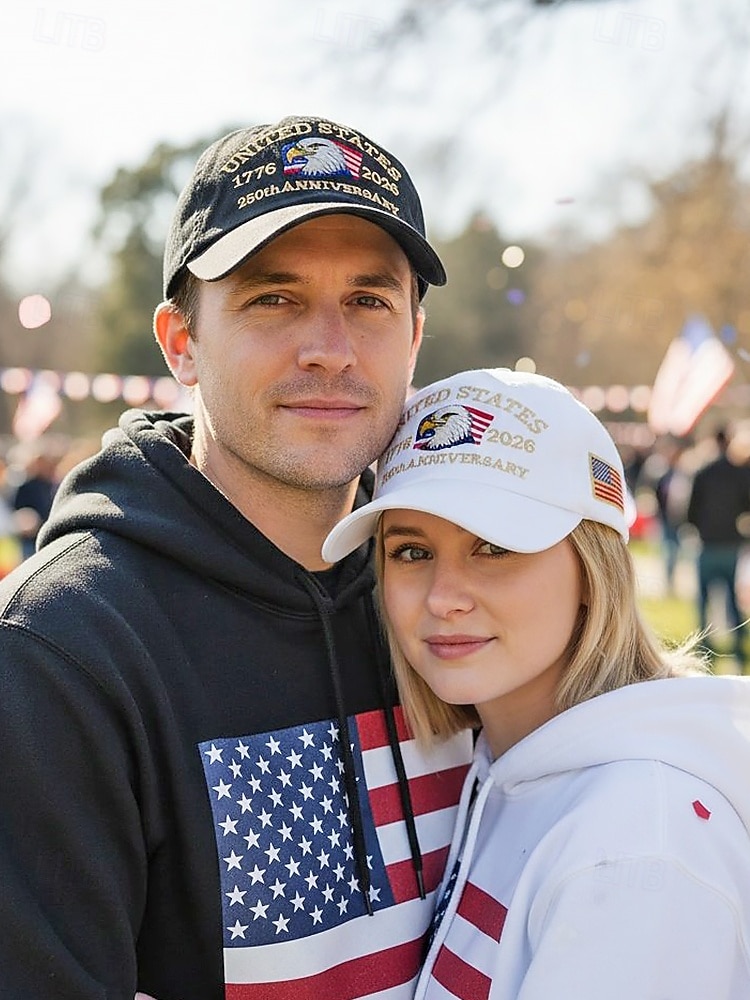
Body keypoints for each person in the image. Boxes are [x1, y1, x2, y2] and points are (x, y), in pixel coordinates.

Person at [0, 116, 473, 1000]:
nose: (329, 347)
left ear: (414, 335)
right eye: (274, 299)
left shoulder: (456, 606)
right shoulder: (58, 652)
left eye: (369, 300)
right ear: (181, 342)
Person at [323, 367, 750, 1000]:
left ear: (593, 569)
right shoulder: (502, 762)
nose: (443, 598)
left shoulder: (637, 848)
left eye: (493, 547)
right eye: (411, 552)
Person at [687, 426, 750, 667]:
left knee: (704, 598)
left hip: (708, 543)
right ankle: (739, 642)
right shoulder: (741, 473)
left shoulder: (702, 472)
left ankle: (704, 643)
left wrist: (699, 527)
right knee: (732, 598)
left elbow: (690, 510)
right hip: (731, 543)